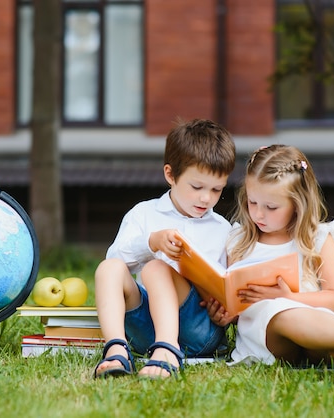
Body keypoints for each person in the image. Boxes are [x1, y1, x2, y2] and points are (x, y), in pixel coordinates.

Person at [211, 144, 334, 400]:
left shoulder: (317, 237)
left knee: (320, 335)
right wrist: (226, 313)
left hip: (317, 335)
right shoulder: (239, 240)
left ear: (297, 204)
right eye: (252, 202)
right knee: (277, 310)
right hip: (267, 343)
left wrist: (290, 297)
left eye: (271, 207)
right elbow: (237, 303)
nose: (258, 213)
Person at [93, 118, 237, 379]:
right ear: (170, 175)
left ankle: (168, 350)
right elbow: (114, 262)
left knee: (157, 268)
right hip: (144, 329)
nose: (207, 198)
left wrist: (227, 312)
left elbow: (230, 287)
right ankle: (116, 349)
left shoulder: (222, 229)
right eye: (197, 187)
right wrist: (151, 243)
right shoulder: (144, 214)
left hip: (197, 330)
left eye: (217, 190)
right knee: (109, 268)